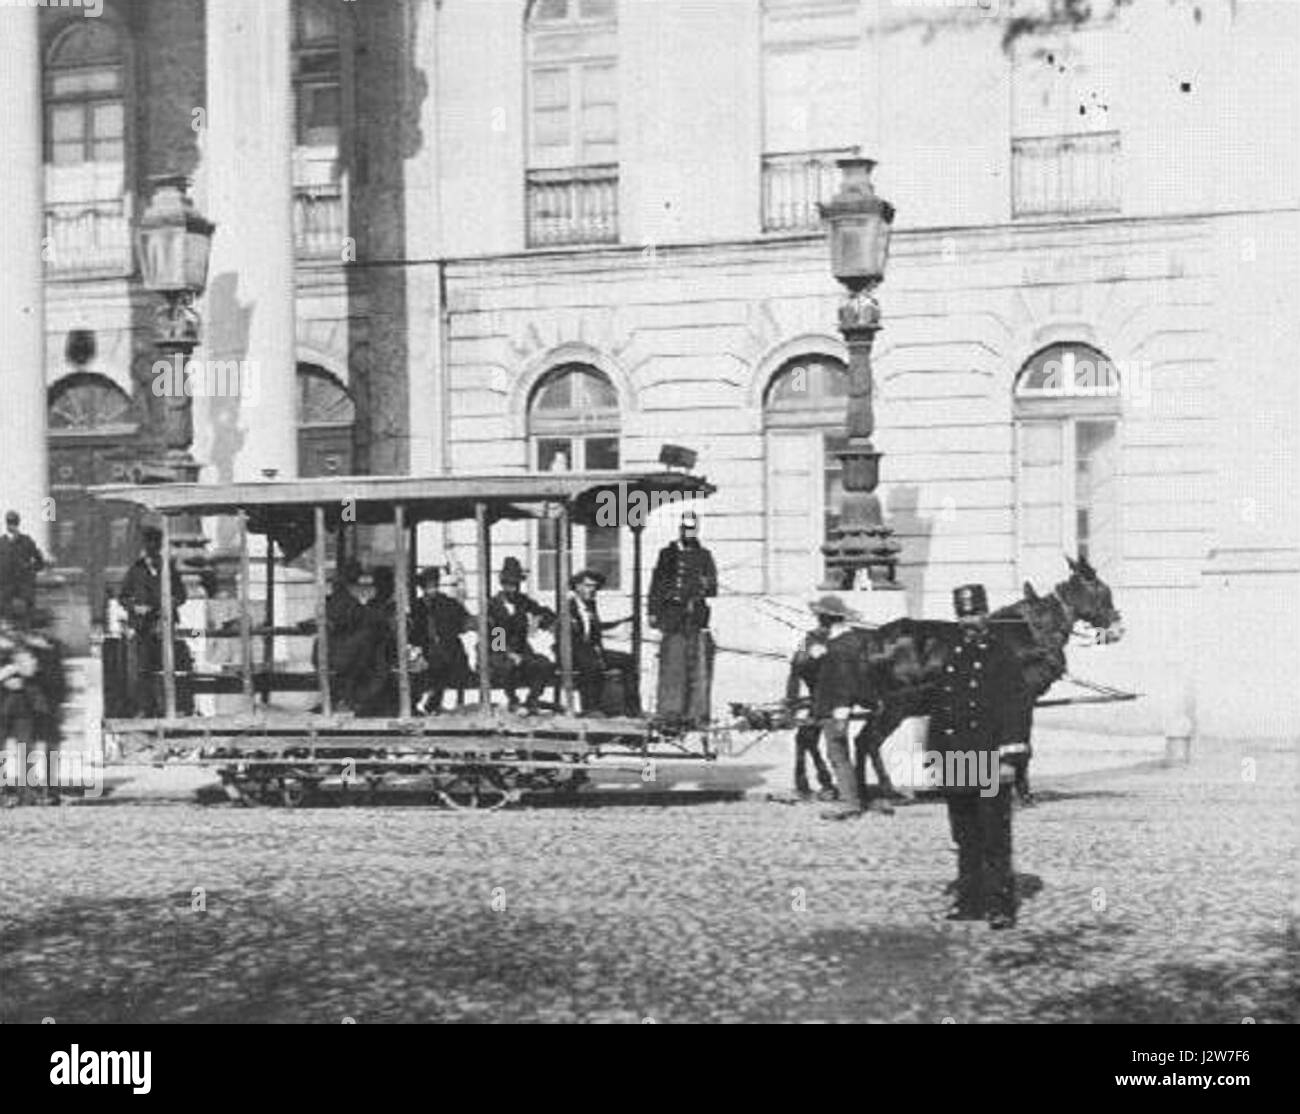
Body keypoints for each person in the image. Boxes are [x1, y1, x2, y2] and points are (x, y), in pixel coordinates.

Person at [934, 583, 1028, 930]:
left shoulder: (1001, 655)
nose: (968, 620)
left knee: (994, 834)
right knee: (964, 835)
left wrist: (1009, 759)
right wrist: (937, 759)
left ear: (986, 613)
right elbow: (940, 709)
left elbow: (1016, 708)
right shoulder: (951, 654)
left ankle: (1001, 904)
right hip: (958, 759)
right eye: (962, 614)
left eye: (974, 613)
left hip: (990, 761)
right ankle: (970, 901)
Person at [648, 509, 717, 729]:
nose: (689, 532)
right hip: (673, 616)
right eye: (685, 528)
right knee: (673, 665)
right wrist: (653, 611)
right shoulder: (667, 554)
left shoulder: (704, 555)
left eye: (692, 529)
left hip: (694, 617)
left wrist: (704, 585)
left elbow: (713, 587)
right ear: (680, 529)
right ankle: (670, 713)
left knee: (696, 667)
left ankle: (695, 714)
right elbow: (657, 584)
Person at [118, 525, 187, 718]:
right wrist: (135, 608)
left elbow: (181, 595)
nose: (151, 547)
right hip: (142, 627)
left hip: (163, 624)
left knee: (167, 665)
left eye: (155, 543)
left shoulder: (168, 567)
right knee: (143, 669)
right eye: (148, 543)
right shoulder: (136, 569)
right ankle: (145, 708)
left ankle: (168, 707)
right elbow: (123, 597)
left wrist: (169, 604)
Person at [784, 596, 842, 802]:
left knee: (808, 738)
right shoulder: (820, 639)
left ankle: (817, 781)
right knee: (813, 739)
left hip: (824, 695)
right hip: (826, 695)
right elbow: (799, 663)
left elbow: (798, 664)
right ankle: (822, 782)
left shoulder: (815, 639)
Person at [564, 569, 639, 717]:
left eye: (594, 587)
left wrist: (621, 622)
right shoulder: (567, 606)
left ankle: (632, 708)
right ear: (577, 587)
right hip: (574, 652)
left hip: (592, 650)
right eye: (588, 586)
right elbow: (568, 634)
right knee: (591, 663)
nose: (592, 590)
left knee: (628, 660)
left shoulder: (590, 605)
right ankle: (591, 709)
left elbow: (595, 629)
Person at [487, 557, 555, 716]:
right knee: (509, 665)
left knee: (543, 664)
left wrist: (543, 620)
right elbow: (496, 636)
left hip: (522, 648)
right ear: (502, 584)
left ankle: (532, 700)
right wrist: (509, 653)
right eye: (509, 584)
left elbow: (543, 612)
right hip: (498, 650)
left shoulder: (523, 601)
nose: (513, 589)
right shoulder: (493, 605)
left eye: (515, 584)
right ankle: (513, 700)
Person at [410, 566, 473, 714]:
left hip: (514, 651)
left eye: (434, 585)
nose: (431, 589)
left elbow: (490, 625)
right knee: (433, 665)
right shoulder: (416, 606)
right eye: (427, 586)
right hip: (427, 650)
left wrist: (500, 649)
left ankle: (524, 701)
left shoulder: (448, 603)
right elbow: (412, 632)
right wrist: (500, 650)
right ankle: (424, 704)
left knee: (449, 661)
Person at [324, 558, 372, 712]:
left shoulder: (345, 598)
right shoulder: (342, 599)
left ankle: (347, 700)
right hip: (340, 651)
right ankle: (347, 700)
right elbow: (345, 620)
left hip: (342, 649)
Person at [0, 511, 48, 616]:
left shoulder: (26, 541)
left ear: (18, 523)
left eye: (14, 523)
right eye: (10, 522)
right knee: (6, 620)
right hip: (6, 590)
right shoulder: (1, 543)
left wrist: (30, 570)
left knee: (27, 618)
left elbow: (40, 562)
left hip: (24, 589)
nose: (12, 526)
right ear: (6, 524)